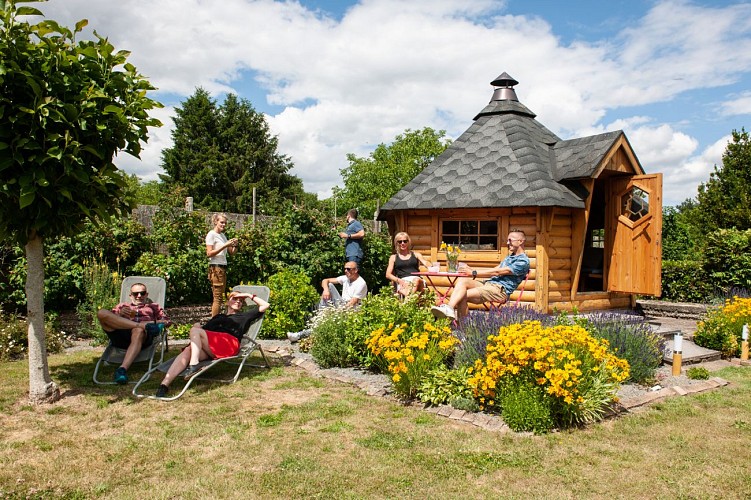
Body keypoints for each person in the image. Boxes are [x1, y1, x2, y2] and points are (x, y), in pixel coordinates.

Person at [155, 291, 269, 398]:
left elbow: (265, 305)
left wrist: (249, 295)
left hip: (228, 343)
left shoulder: (245, 316)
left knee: (195, 332)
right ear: (228, 302)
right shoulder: (218, 317)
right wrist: (198, 327)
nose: (238, 301)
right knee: (188, 350)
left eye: (241, 300)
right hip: (213, 345)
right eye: (234, 299)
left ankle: (194, 364)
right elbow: (204, 333)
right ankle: (164, 385)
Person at [431, 229, 530, 320]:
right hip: (488, 284)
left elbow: (498, 272)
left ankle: (463, 329)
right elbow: (496, 269)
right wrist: (473, 269)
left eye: (510, 240)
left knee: (462, 296)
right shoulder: (510, 257)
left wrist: (474, 273)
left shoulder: (523, 261)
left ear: (520, 241)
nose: (508, 243)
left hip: (500, 290)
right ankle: (449, 308)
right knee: (462, 281)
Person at [97, 283, 171, 384]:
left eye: (142, 293)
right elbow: (109, 319)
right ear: (131, 295)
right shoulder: (122, 306)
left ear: (146, 294)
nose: (139, 296)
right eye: (136, 294)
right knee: (101, 312)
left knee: (138, 330)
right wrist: (119, 314)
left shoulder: (153, 307)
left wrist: (151, 323)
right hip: (121, 335)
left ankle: (122, 369)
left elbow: (166, 321)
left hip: (141, 337)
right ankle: (140, 325)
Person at [287, 262, 367, 342]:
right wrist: (326, 290)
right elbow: (325, 280)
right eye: (345, 269)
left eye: (348, 269)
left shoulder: (361, 283)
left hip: (351, 311)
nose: (346, 271)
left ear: (356, 270)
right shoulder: (346, 278)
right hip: (341, 304)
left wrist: (336, 313)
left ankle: (299, 335)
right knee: (329, 286)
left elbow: (352, 303)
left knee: (323, 323)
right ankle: (320, 314)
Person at [206, 213, 239, 317]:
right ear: (215, 222)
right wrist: (225, 245)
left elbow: (231, 252)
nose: (224, 225)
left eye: (225, 223)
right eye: (221, 222)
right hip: (216, 268)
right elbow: (209, 253)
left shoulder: (223, 236)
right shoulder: (211, 234)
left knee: (222, 297)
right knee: (217, 298)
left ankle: (219, 321)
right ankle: (213, 324)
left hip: (223, 268)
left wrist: (235, 244)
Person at [385, 231, 432, 298]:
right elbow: (388, 274)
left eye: (405, 241)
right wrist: (399, 280)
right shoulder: (393, 257)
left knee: (416, 281)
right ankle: (409, 299)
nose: (402, 243)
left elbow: (425, 263)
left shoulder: (416, 255)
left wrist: (430, 266)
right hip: (403, 281)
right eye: (400, 242)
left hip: (417, 281)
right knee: (408, 286)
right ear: (396, 243)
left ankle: (407, 301)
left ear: (408, 242)